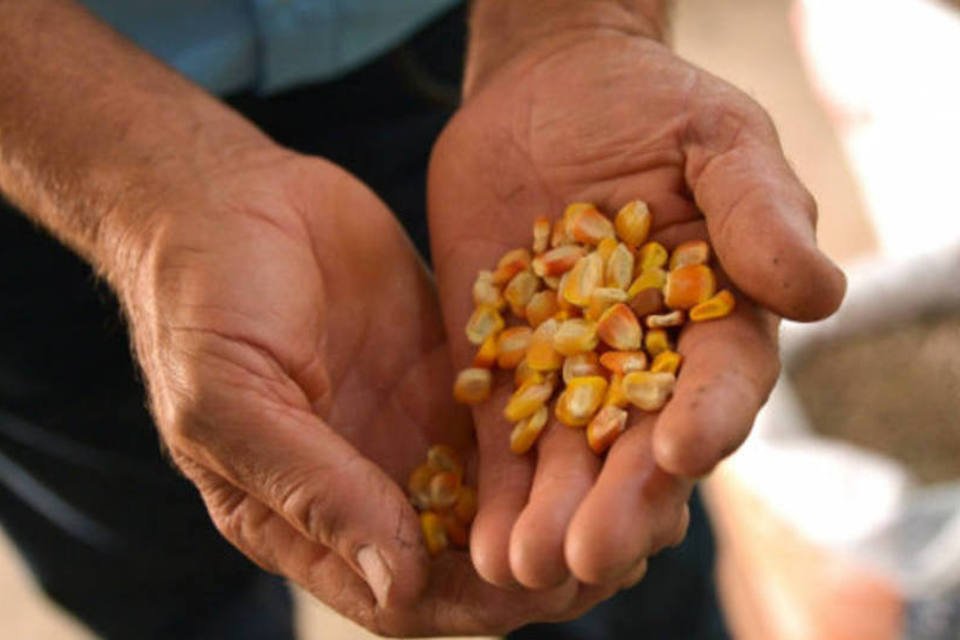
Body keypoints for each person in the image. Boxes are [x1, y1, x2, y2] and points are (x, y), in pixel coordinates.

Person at [0, 1, 846, 637]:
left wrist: (582, 22)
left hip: (455, 45)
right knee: (158, 587)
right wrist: (135, 190)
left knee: (595, 559)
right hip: (36, 134)